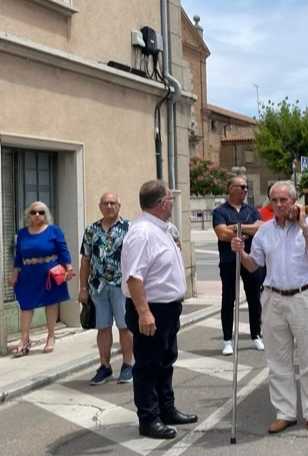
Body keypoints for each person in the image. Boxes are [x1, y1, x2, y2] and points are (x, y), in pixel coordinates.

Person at [232, 181, 308, 435]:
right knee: (277, 360)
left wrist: (304, 227)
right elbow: (253, 265)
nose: (279, 205)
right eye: (274, 200)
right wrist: (240, 253)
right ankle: (285, 413)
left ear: (294, 201)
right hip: (273, 298)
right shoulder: (264, 231)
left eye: (284, 200)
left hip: (303, 297)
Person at [121, 180, 197, 439]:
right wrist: (144, 312)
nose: (172, 204)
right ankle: (149, 418)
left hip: (167, 309)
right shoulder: (143, 232)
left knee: (165, 362)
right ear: (163, 203)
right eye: (170, 199)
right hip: (151, 308)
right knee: (148, 365)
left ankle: (166, 409)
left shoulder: (159, 229)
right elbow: (134, 277)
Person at [79, 192, 133, 385]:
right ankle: (105, 366)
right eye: (105, 203)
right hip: (97, 287)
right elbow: (85, 261)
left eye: (113, 203)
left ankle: (127, 365)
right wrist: (83, 288)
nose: (109, 206)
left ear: (119, 206)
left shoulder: (129, 228)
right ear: (100, 206)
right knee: (102, 327)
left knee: (124, 327)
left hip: (121, 286)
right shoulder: (91, 230)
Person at [9, 201, 75, 357]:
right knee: (26, 305)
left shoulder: (54, 231)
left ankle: (51, 336)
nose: (37, 215)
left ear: (46, 214)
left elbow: (63, 251)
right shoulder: (22, 233)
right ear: (28, 215)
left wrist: (69, 268)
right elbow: (18, 256)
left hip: (49, 274)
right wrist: (14, 274)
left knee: (50, 304)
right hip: (28, 274)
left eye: (41, 212)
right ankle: (24, 339)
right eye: (33, 212)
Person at [212, 177, 264, 355]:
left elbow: (260, 229)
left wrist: (235, 227)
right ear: (230, 188)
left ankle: (255, 335)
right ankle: (227, 339)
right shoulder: (219, 211)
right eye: (241, 187)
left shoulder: (252, 210)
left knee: (254, 297)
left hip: (250, 258)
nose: (245, 190)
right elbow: (222, 233)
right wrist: (246, 230)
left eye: (246, 187)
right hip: (229, 260)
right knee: (228, 299)